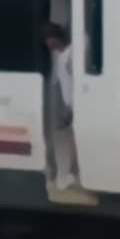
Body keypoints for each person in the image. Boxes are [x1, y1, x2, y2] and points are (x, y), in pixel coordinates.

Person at [42, 22, 80, 194]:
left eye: (48, 40)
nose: (47, 45)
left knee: (66, 143)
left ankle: (66, 177)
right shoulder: (59, 55)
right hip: (69, 106)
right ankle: (67, 176)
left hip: (77, 106)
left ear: (55, 39)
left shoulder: (71, 54)